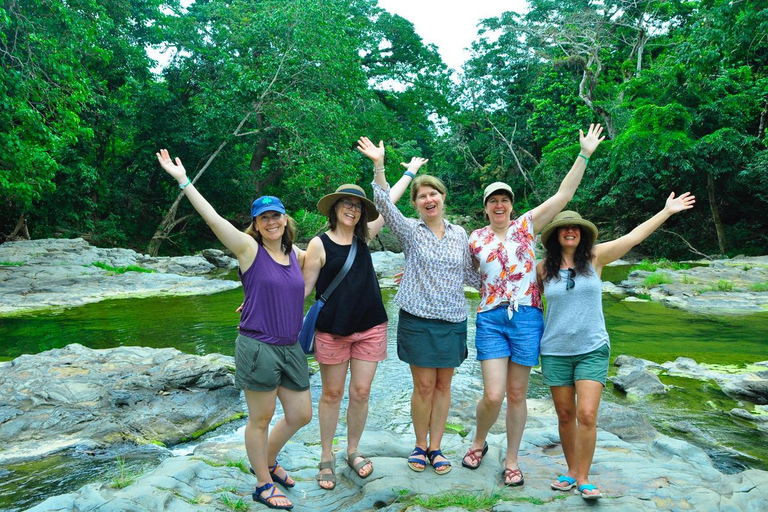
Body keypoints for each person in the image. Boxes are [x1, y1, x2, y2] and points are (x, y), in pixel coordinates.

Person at [156, 149, 311, 511]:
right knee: (261, 418)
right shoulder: (248, 249)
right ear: (256, 225)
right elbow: (213, 219)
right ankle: (261, 483)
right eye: (264, 218)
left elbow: (333, 256)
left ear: (285, 220)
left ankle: (268, 461)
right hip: (258, 345)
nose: (271, 222)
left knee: (301, 414)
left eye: (276, 216)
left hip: (291, 346)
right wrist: (184, 180)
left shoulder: (296, 255)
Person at [464, 124, 605, 486]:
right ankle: (478, 440)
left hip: (528, 316)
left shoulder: (526, 226)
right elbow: (456, 271)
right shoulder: (474, 239)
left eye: (504, 200)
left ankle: (511, 460)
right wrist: (414, 272)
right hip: (491, 317)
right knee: (493, 394)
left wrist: (584, 154)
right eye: (493, 200)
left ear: (511, 205)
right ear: (485, 208)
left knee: (516, 394)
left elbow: (563, 194)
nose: (499, 204)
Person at [536, 192, 695, 500]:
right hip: (554, 350)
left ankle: (583, 477)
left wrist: (666, 211)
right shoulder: (542, 269)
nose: (570, 232)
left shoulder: (596, 257)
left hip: (592, 347)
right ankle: (570, 471)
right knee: (566, 415)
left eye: (575, 228)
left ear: (581, 234)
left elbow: (634, 237)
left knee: (588, 414)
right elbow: (508, 282)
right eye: (564, 228)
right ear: (555, 235)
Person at [303, 151, 427, 490]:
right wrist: (260, 305)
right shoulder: (318, 244)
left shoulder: (365, 236)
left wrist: (398, 170)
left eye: (357, 205)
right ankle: (326, 456)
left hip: (371, 326)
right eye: (346, 204)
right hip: (332, 329)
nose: (352, 209)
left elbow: (389, 199)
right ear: (334, 209)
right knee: (331, 394)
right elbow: (301, 290)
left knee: (360, 392)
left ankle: (352, 450)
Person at [359, 138, 480, 476]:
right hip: (418, 320)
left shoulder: (460, 234)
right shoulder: (410, 231)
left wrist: (510, 289)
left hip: (454, 320)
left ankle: (436, 447)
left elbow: (472, 273)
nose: (429, 199)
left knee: (444, 386)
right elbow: (382, 201)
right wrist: (380, 165)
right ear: (415, 203)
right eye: (422, 195)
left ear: (443, 198)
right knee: (424, 386)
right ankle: (419, 444)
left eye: (434, 193)